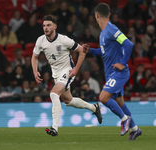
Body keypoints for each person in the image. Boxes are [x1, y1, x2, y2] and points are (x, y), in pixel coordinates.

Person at [31, 14, 102, 136]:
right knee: (68, 101)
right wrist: (34, 70)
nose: (45, 28)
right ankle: (94, 108)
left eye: (48, 25)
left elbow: (82, 51)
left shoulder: (64, 40)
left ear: (55, 26)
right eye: (44, 25)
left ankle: (54, 128)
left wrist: (76, 69)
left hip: (67, 71)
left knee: (53, 94)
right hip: (56, 74)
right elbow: (34, 56)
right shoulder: (40, 40)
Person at [83, 3, 141, 140]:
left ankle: (124, 119)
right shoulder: (104, 33)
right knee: (120, 102)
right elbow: (104, 52)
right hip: (111, 74)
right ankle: (135, 129)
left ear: (96, 15)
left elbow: (128, 44)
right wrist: (90, 50)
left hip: (119, 72)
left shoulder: (111, 29)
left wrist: (123, 63)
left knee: (103, 98)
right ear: (108, 14)